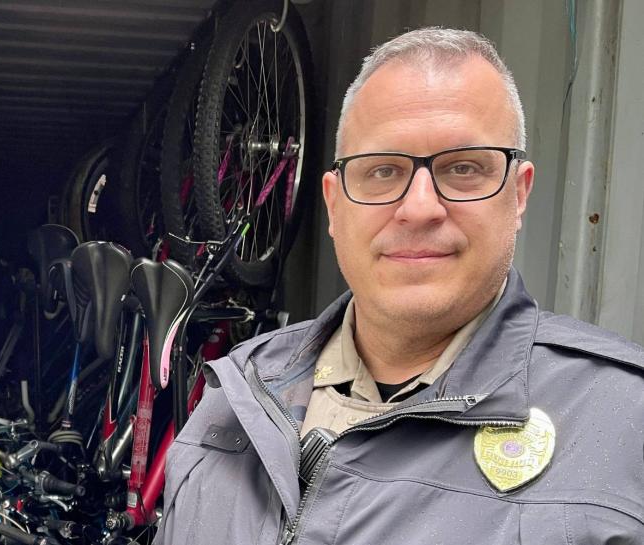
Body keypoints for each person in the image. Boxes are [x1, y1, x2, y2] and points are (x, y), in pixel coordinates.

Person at [155, 27, 644, 545]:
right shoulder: (237, 391)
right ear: (335, 204)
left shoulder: (622, 422)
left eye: (464, 168)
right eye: (383, 171)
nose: (418, 208)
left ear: (518, 194)